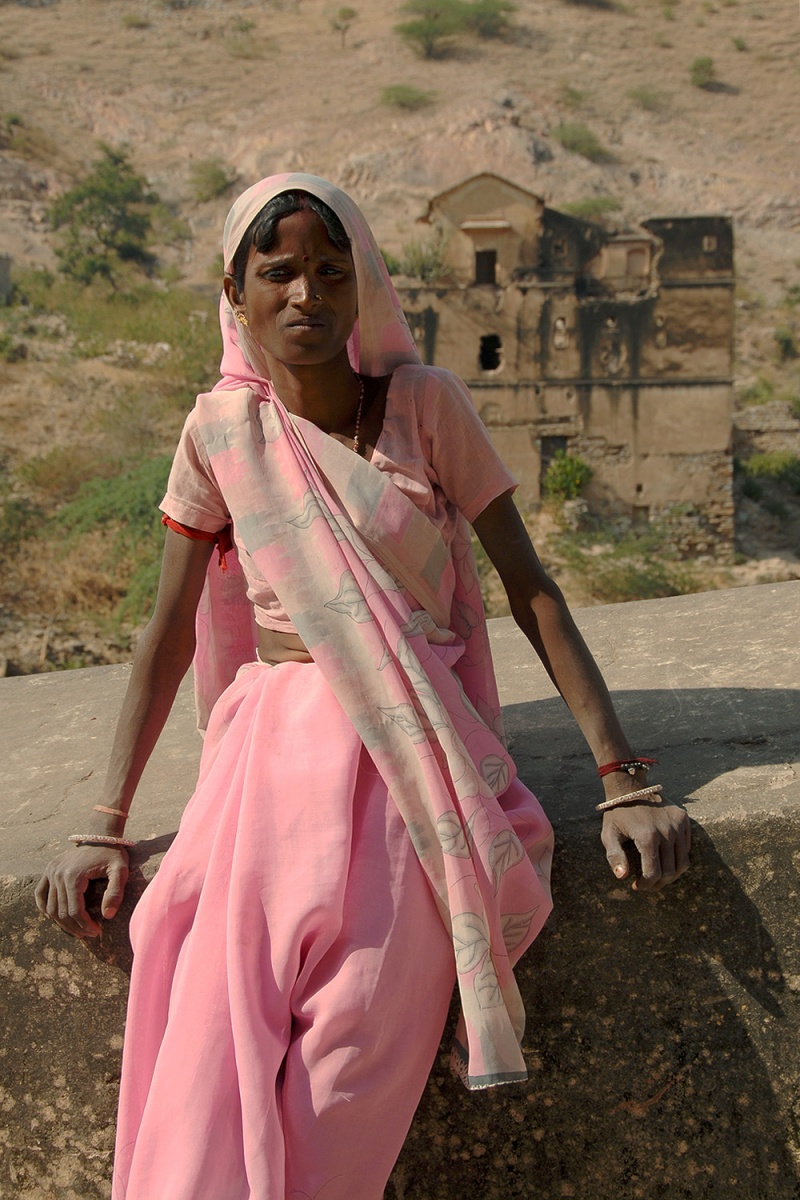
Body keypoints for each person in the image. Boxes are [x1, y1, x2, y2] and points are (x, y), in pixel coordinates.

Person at [36, 173, 690, 1200]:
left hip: (411, 766)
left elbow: (533, 590)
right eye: (279, 272)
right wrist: (105, 822)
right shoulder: (220, 432)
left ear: (364, 285)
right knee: (209, 1018)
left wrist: (622, 779)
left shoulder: (425, 407)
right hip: (265, 764)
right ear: (235, 293)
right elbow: (165, 633)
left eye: (330, 271)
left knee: (357, 1045)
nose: (306, 294)